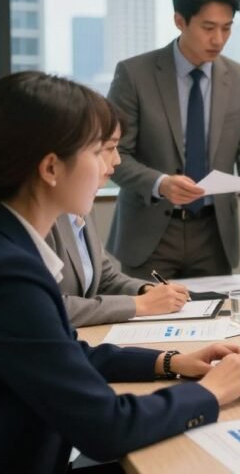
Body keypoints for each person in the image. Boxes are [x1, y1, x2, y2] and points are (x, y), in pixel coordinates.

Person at [0, 72, 240, 473]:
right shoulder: (4, 275)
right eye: (100, 151)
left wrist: (168, 362)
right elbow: (106, 426)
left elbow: (65, 355)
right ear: (51, 168)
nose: (112, 165)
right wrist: (211, 393)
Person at [107, 0, 240, 279]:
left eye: (227, 28)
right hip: (150, 233)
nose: (218, 40)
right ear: (180, 21)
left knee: (220, 324)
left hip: (214, 235)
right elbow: (113, 156)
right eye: (208, 28)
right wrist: (161, 183)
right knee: (148, 323)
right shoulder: (134, 75)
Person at [51, 117, 191, 327]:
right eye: (106, 149)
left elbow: (104, 277)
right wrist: (138, 305)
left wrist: (146, 291)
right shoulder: (43, 218)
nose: (117, 160)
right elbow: (50, 308)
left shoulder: (82, 201)